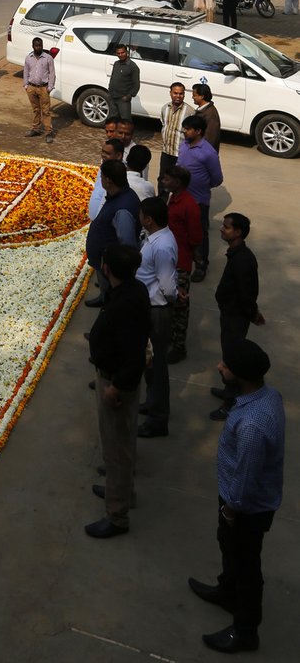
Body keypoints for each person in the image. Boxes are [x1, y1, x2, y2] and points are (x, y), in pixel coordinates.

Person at [188, 339, 284, 654]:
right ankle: (227, 591)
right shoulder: (267, 395)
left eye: (225, 365)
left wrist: (231, 509)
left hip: (245, 508)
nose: (219, 366)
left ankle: (245, 631)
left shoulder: (253, 425)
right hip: (241, 502)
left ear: (240, 375)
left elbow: (247, 477)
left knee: (246, 565)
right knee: (229, 549)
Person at [85, 240, 150, 539]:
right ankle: (120, 490)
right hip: (115, 376)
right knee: (120, 443)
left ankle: (117, 515)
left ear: (107, 268)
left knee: (116, 447)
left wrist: (118, 386)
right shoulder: (131, 290)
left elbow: (134, 351)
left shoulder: (126, 301)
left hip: (116, 383)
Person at [210, 213, 262, 422]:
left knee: (232, 359)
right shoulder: (236, 254)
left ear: (238, 232)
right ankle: (228, 390)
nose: (222, 229)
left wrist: (252, 314)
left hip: (235, 317)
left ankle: (230, 403)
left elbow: (247, 293)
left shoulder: (243, 260)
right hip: (230, 314)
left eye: (227, 227)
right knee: (228, 353)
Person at [136, 196, 179, 439]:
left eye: (142, 215)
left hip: (157, 310)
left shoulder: (161, 245)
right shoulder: (157, 238)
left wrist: (170, 300)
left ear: (149, 219)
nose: (139, 218)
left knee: (158, 366)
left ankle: (158, 418)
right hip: (151, 307)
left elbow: (167, 285)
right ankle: (152, 404)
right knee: (151, 363)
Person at [85, 159, 141, 306]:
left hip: (112, 269)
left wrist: (114, 272)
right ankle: (104, 297)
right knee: (107, 293)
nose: (100, 180)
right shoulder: (120, 196)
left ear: (108, 181)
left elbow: (127, 245)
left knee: (113, 302)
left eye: (102, 177)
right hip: (105, 265)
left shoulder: (123, 209)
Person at [162, 164, 201, 365]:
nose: (164, 182)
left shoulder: (189, 205)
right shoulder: (175, 199)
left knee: (180, 305)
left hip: (181, 262)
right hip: (170, 258)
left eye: (167, 179)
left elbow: (195, 237)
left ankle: (179, 346)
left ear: (177, 182)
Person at [177, 114, 224, 282]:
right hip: (179, 197)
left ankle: (201, 265)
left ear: (198, 131)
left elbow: (217, 179)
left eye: (188, 129)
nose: (184, 131)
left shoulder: (208, 153)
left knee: (199, 235)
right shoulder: (183, 146)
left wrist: (202, 186)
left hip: (198, 201)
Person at [159, 81, 192, 190]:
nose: (178, 96)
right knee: (163, 180)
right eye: (175, 93)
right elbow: (164, 126)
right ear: (170, 93)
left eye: (181, 94)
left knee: (178, 182)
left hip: (180, 154)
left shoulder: (190, 112)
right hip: (166, 152)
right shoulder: (165, 108)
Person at [23, 37, 56, 143]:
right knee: (36, 110)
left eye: (40, 45)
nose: (39, 47)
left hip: (43, 88)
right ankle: (36, 129)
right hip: (31, 88)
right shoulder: (28, 58)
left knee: (46, 111)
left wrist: (50, 87)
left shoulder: (48, 58)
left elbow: (52, 73)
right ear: (33, 46)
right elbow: (26, 72)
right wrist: (26, 85)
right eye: (36, 45)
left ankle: (48, 132)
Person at [107, 45, 140, 122]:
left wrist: (128, 96)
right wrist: (109, 91)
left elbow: (136, 85)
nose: (121, 55)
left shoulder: (132, 66)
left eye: (122, 52)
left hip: (123, 99)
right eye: (118, 53)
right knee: (112, 120)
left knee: (125, 122)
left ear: (127, 52)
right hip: (112, 97)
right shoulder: (116, 64)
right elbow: (112, 78)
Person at [192, 83, 222, 153]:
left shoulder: (211, 114)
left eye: (194, 95)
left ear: (201, 96)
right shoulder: (201, 110)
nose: (192, 97)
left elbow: (210, 139)